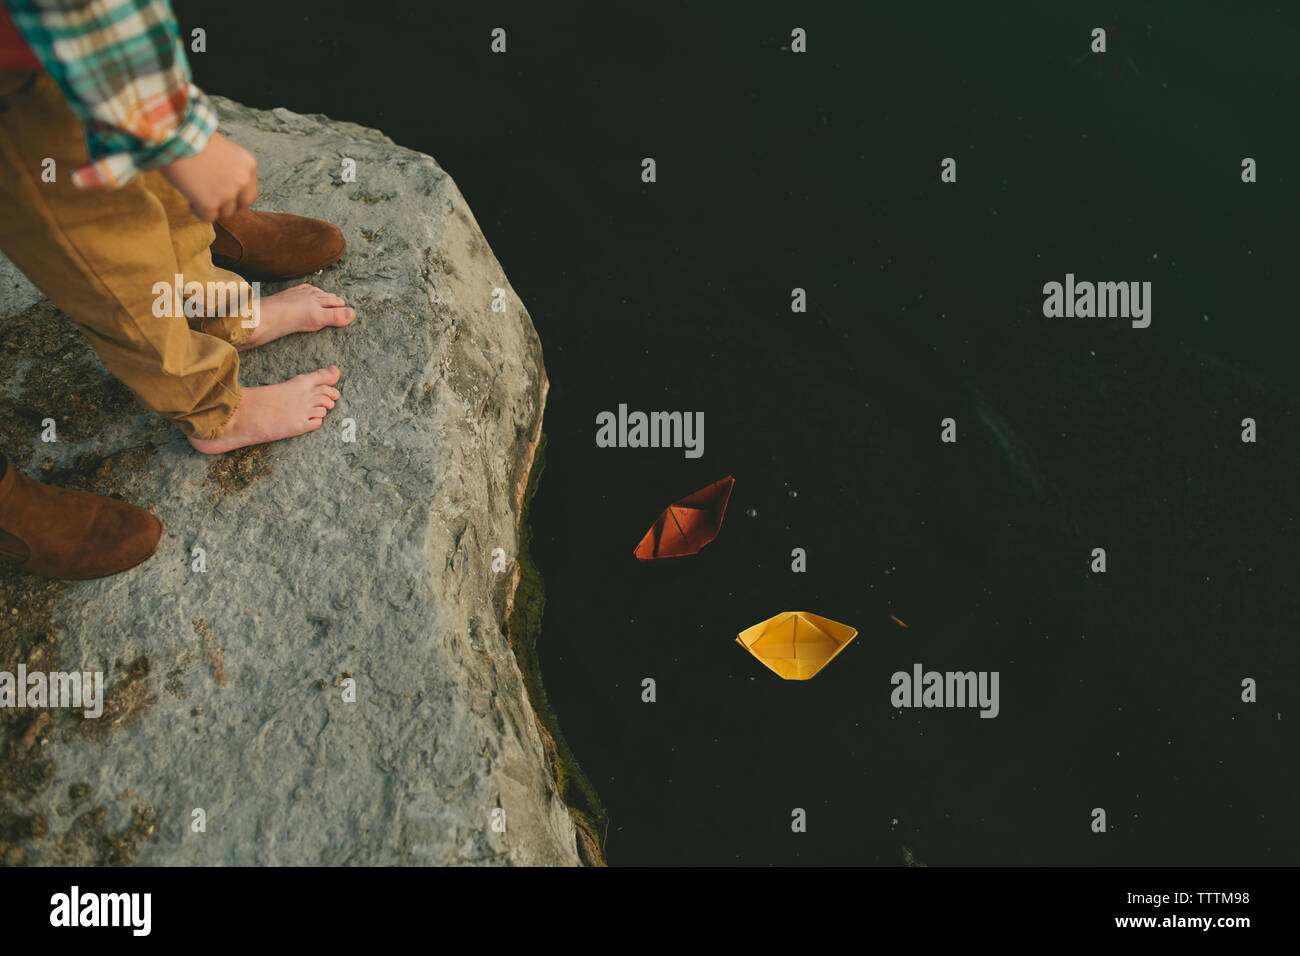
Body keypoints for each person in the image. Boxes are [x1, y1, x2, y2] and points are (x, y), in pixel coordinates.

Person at [0, 0, 357, 456]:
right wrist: (178, 134)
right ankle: (212, 410)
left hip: (85, 63)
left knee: (166, 196)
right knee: (114, 266)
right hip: (22, 93)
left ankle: (215, 313)